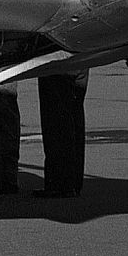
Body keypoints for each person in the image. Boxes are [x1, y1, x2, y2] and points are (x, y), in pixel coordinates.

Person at [35, 70, 88, 198]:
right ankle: (72, 182)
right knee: (74, 116)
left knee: (56, 120)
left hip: (56, 66)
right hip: (79, 63)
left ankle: (59, 183)